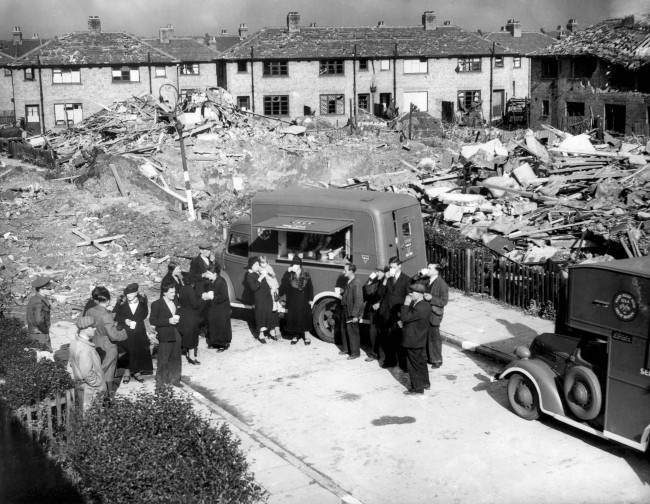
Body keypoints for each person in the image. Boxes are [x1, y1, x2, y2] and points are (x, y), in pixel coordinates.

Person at [84, 286, 127, 395]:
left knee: (98, 369)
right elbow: (114, 336)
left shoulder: (90, 311)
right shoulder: (106, 315)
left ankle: (101, 396)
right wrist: (125, 333)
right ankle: (107, 397)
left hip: (95, 342)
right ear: (108, 300)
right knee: (108, 371)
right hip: (108, 346)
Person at [113, 283, 153, 382]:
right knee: (127, 351)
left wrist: (138, 320)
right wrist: (125, 320)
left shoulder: (142, 300)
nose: (128, 296)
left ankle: (136, 371)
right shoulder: (121, 301)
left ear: (136, 293)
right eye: (127, 294)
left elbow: (145, 314)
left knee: (138, 350)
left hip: (139, 330)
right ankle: (126, 372)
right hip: (126, 330)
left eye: (130, 294)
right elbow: (115, 315)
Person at [399, 282, 432, 395]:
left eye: (412, 292)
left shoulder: (419, 307)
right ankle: (425, 383)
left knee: (413, 365)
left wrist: (406, 304)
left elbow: (404, 317)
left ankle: (418, 389)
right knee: (421, 362)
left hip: (413, 340)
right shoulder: (425, 304)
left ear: (418, 294)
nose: (410, 294)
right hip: (420, 338)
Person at [378, 256, 411, 369]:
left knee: (400, 338)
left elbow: (408, 297)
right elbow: (379, 294)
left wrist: (404, 314)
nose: (392, 269)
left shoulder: (406, 279)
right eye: (390, 267)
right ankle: (390, 360)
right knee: (387, 338)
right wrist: (385, 279)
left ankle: (403, 363)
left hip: (398, 313)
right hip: (386, 312)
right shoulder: (387, 278)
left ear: (399, 266)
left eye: (394, 267)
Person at [69, 315, 106, 411]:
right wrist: (98, 383)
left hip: (83, 387)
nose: (95, 328)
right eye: (92, 327)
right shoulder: (84, 349)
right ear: (85, 329)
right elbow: (87, 373)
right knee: (93, 416)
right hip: (91, 390)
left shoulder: (75, 343)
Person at [150, 280, 182, 387]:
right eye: (171, 292)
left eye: (174, 292)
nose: (174, 294)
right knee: (163, 359)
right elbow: (153, 321)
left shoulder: (175, 302)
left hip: (175, 333)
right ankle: (160, 382)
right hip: (165, 334)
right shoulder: (156, 304)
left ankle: (175, 380)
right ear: (164, 293)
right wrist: (168, 321)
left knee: (176, 358)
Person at [280, 256, 314, 345]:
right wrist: (288, 273)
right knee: (294, 318)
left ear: (300, 265)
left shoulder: (306, 274)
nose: (295, 265)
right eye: (294, 263)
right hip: (293, 300)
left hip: (304, 300)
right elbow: (284, 286)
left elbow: (310, 287)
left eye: (297, 264)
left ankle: (306, 337)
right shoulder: (289, 274)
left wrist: (311, 299)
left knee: (304, 318)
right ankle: (296, 336)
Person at [177, 274, 210, 363]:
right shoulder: (190, 290)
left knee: (188, 335)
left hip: (183, 314)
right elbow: (195, 304)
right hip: (191, 315)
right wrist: (203, 299)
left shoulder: (182, 289)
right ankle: (191, 357)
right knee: (193, 335)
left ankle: (188, 353)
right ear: (193, 282)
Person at [245, 256, 279, 343]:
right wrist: (260, 278)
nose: (257, 265)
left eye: (258, 264)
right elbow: (253, 287)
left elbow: (268, 281)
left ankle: (271, 332)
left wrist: (272, 289)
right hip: (259, 298)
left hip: (267, 296)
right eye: (255, 264)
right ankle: (261, 335)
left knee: (269, 314)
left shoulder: (259, 272)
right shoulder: (250, 275)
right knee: (260, 315)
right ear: (251, 266)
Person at [422, 263, 449, 369]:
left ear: (436, 271)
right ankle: (429, 357)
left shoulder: (442, 284)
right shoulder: (427, 280)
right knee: (426, 335)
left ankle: (437, 359)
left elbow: (444, 301)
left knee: (434, 337)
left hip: (434, 313)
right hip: (425, 312)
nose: (427, 270)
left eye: (429, 268)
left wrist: (431, 298)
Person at [362, 266, 388, 361]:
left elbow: (388, 296)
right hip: (373, 311)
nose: (377, 274)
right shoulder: (376, 282)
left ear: (385, 273)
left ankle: (383, 355)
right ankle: (374, 354)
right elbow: (368, 293)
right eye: (377, 272)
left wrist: (380, 303)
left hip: (383, 311)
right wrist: (369, 280)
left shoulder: (387, 282)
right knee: (373, 332)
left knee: (382, 333)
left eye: (380, 272)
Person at [339, 263, 364, 360]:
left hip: (351, 312)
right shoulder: (349, 281)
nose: (343, 271)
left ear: (351, 271)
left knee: (353, 332)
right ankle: (346, 349)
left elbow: (359, 300)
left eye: (345, 270)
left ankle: (355, 353)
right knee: (345, 330)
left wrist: (355, 315)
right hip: (346, 310)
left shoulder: (356, 283)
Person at [206, 263, 232, 351]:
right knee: (213, 324)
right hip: (214, 307)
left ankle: (223, 344)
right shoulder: (211, 281)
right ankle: (215, 342)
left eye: (209, 273)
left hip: (222, 308)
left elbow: (224, 296)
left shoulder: (221, 281)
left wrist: (213, 297)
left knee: (221, 325)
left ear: (214, 274)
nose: (207, 275)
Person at [26, 276, 54, 351]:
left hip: (35, 333)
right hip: (40, 334)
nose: (51, 290)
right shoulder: (39, 302)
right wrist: (45, 331)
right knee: (46, 357)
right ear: (41, 290)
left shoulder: (35, 298)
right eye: (49, 289)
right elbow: (39, 321)